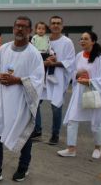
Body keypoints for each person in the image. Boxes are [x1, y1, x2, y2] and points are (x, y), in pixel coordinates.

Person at [0, 16, 44, 182]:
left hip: (22, 101)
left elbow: (37, 79)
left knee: (24, 134)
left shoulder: (34, 54)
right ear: (13, 29)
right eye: (17, 26)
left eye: (24, 27)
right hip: (3, 99)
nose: (20, 29)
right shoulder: (4, 49)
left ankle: (23, 167)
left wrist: (18, 80)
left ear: (30, 31)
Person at [57, 31, 101, 159]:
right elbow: (73, 72)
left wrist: (90, 81)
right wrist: (77, 74)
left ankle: (98, 148)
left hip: (94, 92)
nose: (82, 41)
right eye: (81, 39)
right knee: (72, 119)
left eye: (86, 39)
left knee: (96, 122)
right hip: (79, 91)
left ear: (93, 41)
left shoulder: (100, 57)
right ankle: (71, 149)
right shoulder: (79, 55)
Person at [31, 16, 75, 145]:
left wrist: (55, 63)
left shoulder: (67, 42)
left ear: (62, 26)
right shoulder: (43, 39)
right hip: (42, 77)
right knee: (35, 103)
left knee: (56, 107)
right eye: (53, 23)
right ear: (49, 26)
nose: (56, 25)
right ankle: (37, 130)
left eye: (58, 23)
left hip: (57, 78)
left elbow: (71, 62)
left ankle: (55, 134)